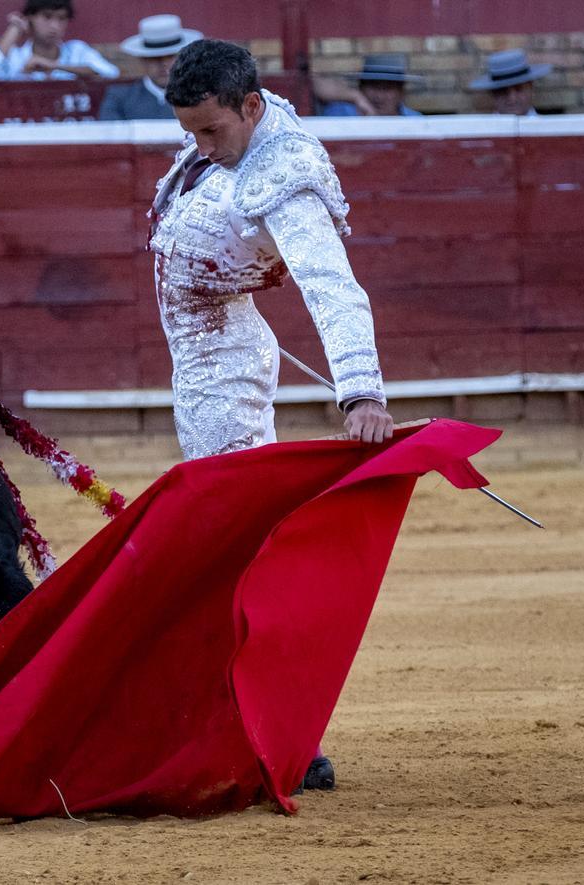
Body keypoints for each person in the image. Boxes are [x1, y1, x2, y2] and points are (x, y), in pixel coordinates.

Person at [152, 40, 394, 790]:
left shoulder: (285, 182)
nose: (200, 147)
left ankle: (281, 735)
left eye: (210, 132)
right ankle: (266, 723)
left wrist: (360, 390)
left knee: (236, 547)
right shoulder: (250, 118)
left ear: (251, 107)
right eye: (191, 132)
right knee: (231, 540)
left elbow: (333, 286)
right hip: (224, 328)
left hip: (218, 350)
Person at [0, 0, 119, 81]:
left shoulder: (77, 50)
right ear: (30, 17)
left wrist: (54, 65)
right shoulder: (15, 57)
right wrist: (15, 28)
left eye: (61, 18)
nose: (55, 26)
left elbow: (111, 73)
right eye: (47, 17)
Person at [98, 14, 201, 121]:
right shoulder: (120, 98)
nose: (163, 64)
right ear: (142, 59)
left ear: (184, 57)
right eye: (154, 58)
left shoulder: (201, 97)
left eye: (170, 56)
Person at [318, 53, 424, 117]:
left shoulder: (415, 121)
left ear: (401, 92)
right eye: (373, 87)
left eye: (387, 89)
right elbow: (310, 82)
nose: (379, 96)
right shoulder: (343, 112)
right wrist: (355, 97)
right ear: (361, 87)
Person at [469, 49, 553, 116]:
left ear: (530, 87)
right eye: (503, 91)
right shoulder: (484, 133)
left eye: (518, 88)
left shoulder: (550, 131)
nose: (512, 98)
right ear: (493, 93)